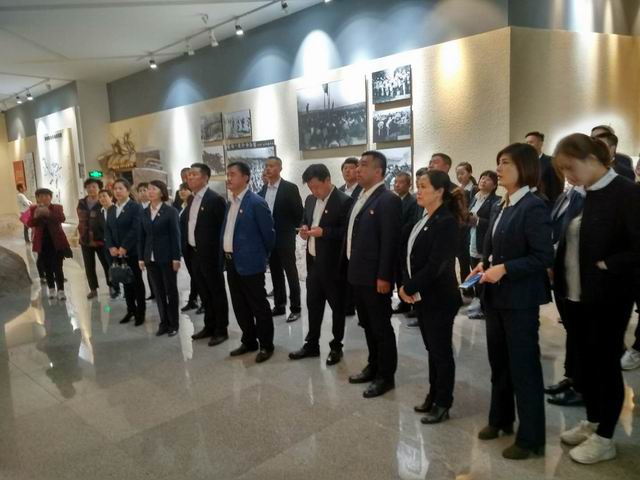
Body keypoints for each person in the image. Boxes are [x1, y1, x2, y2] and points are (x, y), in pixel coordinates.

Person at [552, 134, 640, 465]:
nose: (568, 176)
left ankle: (605, 437)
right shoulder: (582, 194)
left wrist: (607, 264)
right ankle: (591, 420)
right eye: (563, 170)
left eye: (570, 168)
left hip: (608, 297)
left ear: (591, 159)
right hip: (575, 296)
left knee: (605, 365)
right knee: (584, 365)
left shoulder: (626, 193)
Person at [468, 143, 553, 460]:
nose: (499, 168)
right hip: (496, 297)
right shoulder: (503, 204)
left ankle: (531, 438)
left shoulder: (533, 206)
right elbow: (494, 248)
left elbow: (543, 256)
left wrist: (505, 269)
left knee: (524, 368)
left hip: (519, 300)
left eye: (506, 163)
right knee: (499, 364)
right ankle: (500, 419)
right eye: (498, 162)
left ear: (525, 167)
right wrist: (484, 264)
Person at [399, 170, 464, 424]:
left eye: (424, 186)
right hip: (423, 295)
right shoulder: (424, 217)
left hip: (439, 297)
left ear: (439, 191)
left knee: (441, 351)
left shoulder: (446, 221)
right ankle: (433, 394)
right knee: (432, 349)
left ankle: (443, 402)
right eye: (418, 186)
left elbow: (436, 265)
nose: (419, 191)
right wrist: (406, 285)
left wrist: (409, 287)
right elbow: (410, 256)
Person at [346, 151, 402, 398]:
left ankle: (386, 376)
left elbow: (390, 242)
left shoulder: (388, 200)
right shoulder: (361, 195)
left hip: (375, 278)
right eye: (358, 165)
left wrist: (384, 277)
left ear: (378, 171)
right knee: (367, 325)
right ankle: (373, 365)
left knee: (380, 327)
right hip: (358, 274)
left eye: (363, 165)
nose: (358, 169)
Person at [289, 164, 353, 365]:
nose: (314, 191)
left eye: (317, 186)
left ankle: (336, 346)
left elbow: (347, 233)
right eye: (311, 188)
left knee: (337, 309)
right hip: (314, 264)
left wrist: (324, 232)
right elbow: (305, 219)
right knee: (313, 305)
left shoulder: (344, 201)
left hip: (334, 267)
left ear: (328, 180)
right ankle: (312, 344)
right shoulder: (310, 200)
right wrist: (304, 228)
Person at [223, 162, 276, 363]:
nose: (228, 178)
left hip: (251, 263)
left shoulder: (256, 203)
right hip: (231, 262)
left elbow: (269, 235)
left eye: (233, 174)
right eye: (228, 174)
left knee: (258, 305)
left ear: (245, 177)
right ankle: (249, 340)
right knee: (239, 304)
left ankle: (266, 345)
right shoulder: (230, 202)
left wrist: (261, 257)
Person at [543, 184, 586, 407]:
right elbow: (555, 229)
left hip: (579, 275)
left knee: (581, 333)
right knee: (572, 329)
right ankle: (572, 377)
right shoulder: (566, 195)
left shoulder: (590, 196)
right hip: (561, 272)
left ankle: (582, 386)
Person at [183, 163, 229, 346]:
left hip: (210, 255)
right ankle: (209, 325)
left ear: (205, 178)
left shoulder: (215, 199)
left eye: (194, 174)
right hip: (194, 254)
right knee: (204, 291)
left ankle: (221, 329)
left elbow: (222, 230)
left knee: (216, 292)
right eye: (188, 175)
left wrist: (221, 258)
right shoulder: (192, 199)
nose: (190, 177)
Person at [259, 156, 304, 323]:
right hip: (269, 238)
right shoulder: (263, 190)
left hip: (285, 237)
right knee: (275, 272)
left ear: (280, 168)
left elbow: (298, 212)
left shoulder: (289, 188)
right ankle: (279, 305)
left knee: (290, 272)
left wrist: (291, 230)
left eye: (271, 166)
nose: (268, 169)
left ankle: (296, 308)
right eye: (266, 166)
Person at [139, 180, 182, 337]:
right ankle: (164, 322)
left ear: (162, 192)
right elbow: (141, 237)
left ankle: (174, 323)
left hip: (167, 257)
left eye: (153, 189)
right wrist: (141, 257)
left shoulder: (170, 211)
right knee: (158, 292)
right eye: (148, 189)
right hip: (150, 258)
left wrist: (176, 257)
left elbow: (176, 235)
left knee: (170, 291)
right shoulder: (144, 212)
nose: (150, 191)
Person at [105, 178, 146, 326]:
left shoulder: (135, 207)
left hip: (132, 251)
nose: (117, 191)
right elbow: (107, 229)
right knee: (125, 281)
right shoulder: (111, 209)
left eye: (120, 188)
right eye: (115, 189)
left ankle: (140, 312)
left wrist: (124, 247)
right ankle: (130, 310)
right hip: (117, 253)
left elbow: (136, 229)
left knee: (136, 282)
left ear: (128, 191)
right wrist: (111, 246)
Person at [466, 170, 501, 320]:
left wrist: (478, 221)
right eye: (482, 178)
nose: (483, 181)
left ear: (494, 185)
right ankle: (479, 303)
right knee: (475, 275)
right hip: (472, 241)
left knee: (484, 276)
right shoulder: (475, 198)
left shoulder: (496, 201)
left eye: (487, 179)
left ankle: (486, 307)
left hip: (484, 244)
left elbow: (494, 224)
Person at [28, 188, 70, 301]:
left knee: (58, 267)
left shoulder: (57, 207)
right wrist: (36, 216)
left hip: (57, 242)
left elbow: (62, 218)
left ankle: (61, 290)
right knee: (47, 268)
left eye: (47, 196)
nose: (44, 198)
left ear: (51, 197)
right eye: (41, 196)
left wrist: (48, 213)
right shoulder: (33, 209)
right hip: (42, 243)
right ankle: (51, 289)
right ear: (37, 198)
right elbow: (29, 223)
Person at [77, 178, 115, 300]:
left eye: (94, 186)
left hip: (101, 240)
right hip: (85, 239)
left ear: (99, 188)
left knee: (107, 264)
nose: (91, 189)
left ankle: (112, 286)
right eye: (88, 187)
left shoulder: (102, 202)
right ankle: (93, 289)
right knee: (89, 266)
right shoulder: (81, 202)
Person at [391, 172, 418, 315]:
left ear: (408, 185)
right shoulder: (393, 200)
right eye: (395, 182)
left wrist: (396, 237)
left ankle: (411, 303)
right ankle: (403, 302)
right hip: (394, 245)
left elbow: (410, 224)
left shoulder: (412, 202)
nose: (397, 185)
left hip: (405, 244)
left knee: (405, 274)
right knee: (397, 274)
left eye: (401, 182)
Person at [338, 157, 361, 317]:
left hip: (357, 238)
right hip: (340, 238)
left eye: (351, 167)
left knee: (356, 274)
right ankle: (347, 304)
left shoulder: (362, 190)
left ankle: (358, 304)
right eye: (345, 168)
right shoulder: (339, 190)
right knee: (343, 273)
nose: (347, 171)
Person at [175, 183, 199, 313]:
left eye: (185, 189)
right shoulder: (183, 206)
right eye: (180, 190)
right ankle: (193, 299)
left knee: (197, 275)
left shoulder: (192, 205)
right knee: (193, 275)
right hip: (185, 245)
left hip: (192, 246)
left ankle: (197, 300)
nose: (182, 192)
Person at [524, 131, 564, 204]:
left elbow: (557, 187)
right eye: (527, 143)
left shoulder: (551, 161)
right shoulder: (524, 164)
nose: (528, 145)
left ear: (541, 143)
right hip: (527, 203)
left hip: (546, 203)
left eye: (531, 142)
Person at [454, 162, 476, 291]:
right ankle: (467, 288)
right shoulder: (457, 189)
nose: (459, 176)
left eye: (462, 173)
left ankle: (476, 290)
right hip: (460, 230)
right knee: (463, 262)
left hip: (470, 229)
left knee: (473, 263)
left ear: (470, 173)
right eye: (457, 174)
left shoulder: (475, 189)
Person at [97, 188, 120, 299]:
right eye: (100, 197)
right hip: (106, 245)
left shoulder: (116, 210)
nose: (102, 199)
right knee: (111, 267)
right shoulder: (100, 212)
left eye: (104, 196)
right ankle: (116, 288)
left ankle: (128, 287)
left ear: (111, 197)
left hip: (119, 244)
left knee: (123, 266)